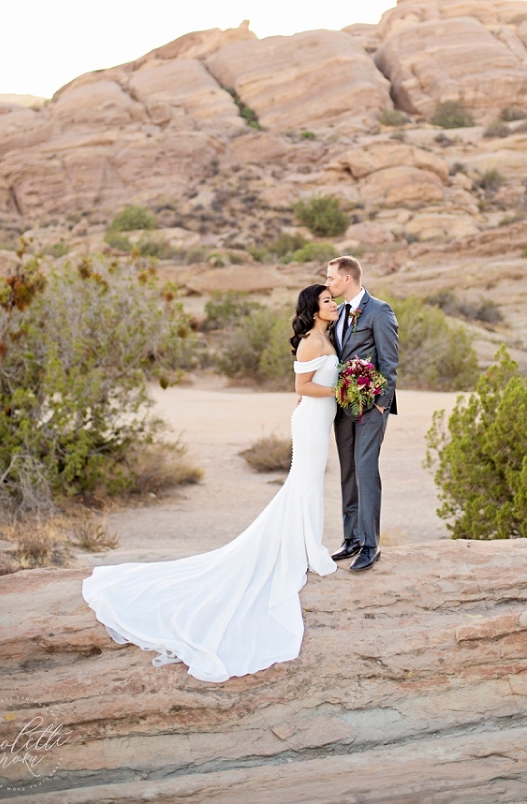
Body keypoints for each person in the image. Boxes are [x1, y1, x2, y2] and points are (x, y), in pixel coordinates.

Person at [82, 284, 340, 683]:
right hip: (310, 419)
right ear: (313, 307)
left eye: (333, 299)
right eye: (327, 300)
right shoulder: (310, 341)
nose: (333, 304)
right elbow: (302, 389)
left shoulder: (327, 335)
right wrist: (341, 388)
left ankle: (306, 546)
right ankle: (307, 549)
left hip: (319, 418)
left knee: (306, 485)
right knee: (303, 484)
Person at [325, 255, 399, 573]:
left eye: (331, 278)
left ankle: (371, 544)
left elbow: (389, 360)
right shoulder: (339, 313)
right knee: (348, 473)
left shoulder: (379, 310)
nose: (327, 283)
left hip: (371, 408)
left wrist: (381, 403)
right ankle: (351, 538)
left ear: (347, 279)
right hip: (343, 408)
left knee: (365, 469)